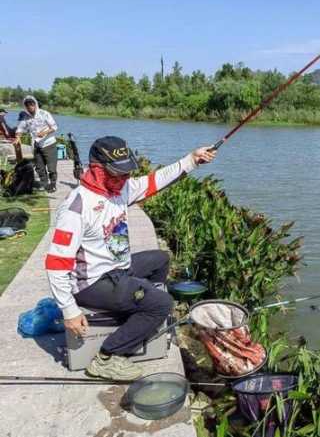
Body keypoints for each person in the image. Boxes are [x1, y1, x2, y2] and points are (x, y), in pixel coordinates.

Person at [45, 136, 217, 380]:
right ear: (96, 169)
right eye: (117, 174)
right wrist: (69, 310)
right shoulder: (76, 207)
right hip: (92, 283)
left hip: (118, 269)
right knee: (163, 303)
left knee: (160, 259)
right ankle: (107, 357)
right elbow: (55, 263)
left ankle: (139, 314)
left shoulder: (120, 188)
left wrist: (192, 159)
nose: (124, 179)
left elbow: (154, 181)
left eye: (127, 173)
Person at [15, 95, 59, 192]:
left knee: (51, 168)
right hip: (36, 145)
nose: (30, 106)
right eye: (27, 105)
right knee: (39, 168)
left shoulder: (44, 113)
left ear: (35, 104)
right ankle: (45, 185)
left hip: (49, 144)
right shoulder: (25, 117)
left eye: (31, 104)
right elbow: (20, 128)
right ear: (25, 106)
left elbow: (54, 127)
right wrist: (18, 137)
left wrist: (44, 133)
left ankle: (53, 184)